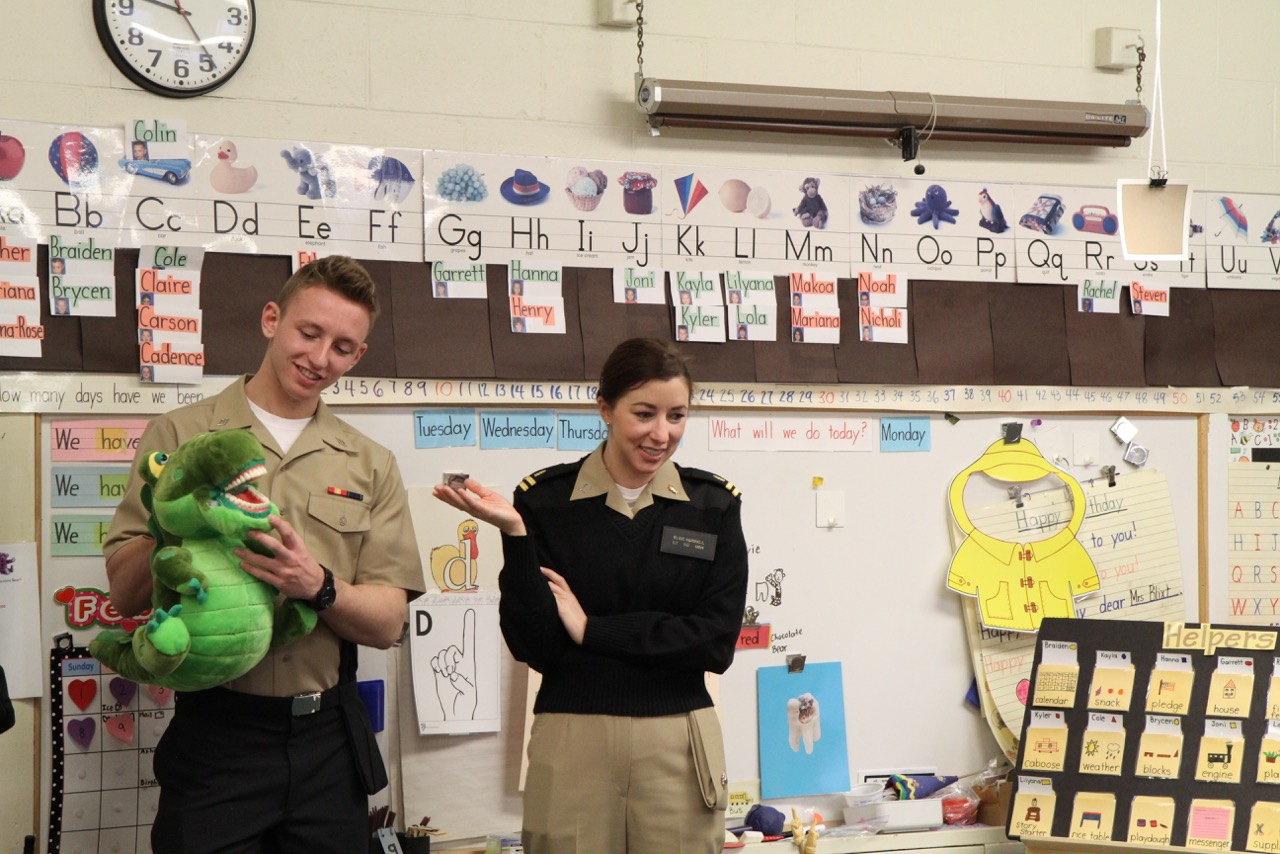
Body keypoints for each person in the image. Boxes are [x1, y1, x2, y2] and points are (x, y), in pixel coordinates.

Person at [102, 255, 426, 854]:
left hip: (327, 743)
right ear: (271, 319)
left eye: (342, 347)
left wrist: (317, 584)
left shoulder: (370, 463)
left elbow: (386, 624)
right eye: (309, 332)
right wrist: (183, 516)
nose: (320, 358)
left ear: (357, 356)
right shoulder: (181, 435)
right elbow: (123, 594)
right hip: (216, 737)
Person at [432, 337, 748, 854]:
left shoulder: (712, 505)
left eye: (677, 416)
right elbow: (536, 645)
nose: (662, 434)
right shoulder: (544, 502)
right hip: (572, 737)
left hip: (679, 741)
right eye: (644, 414)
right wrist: (516, 536)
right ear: (605, 408)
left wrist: (592, 630)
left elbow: (714, 643)